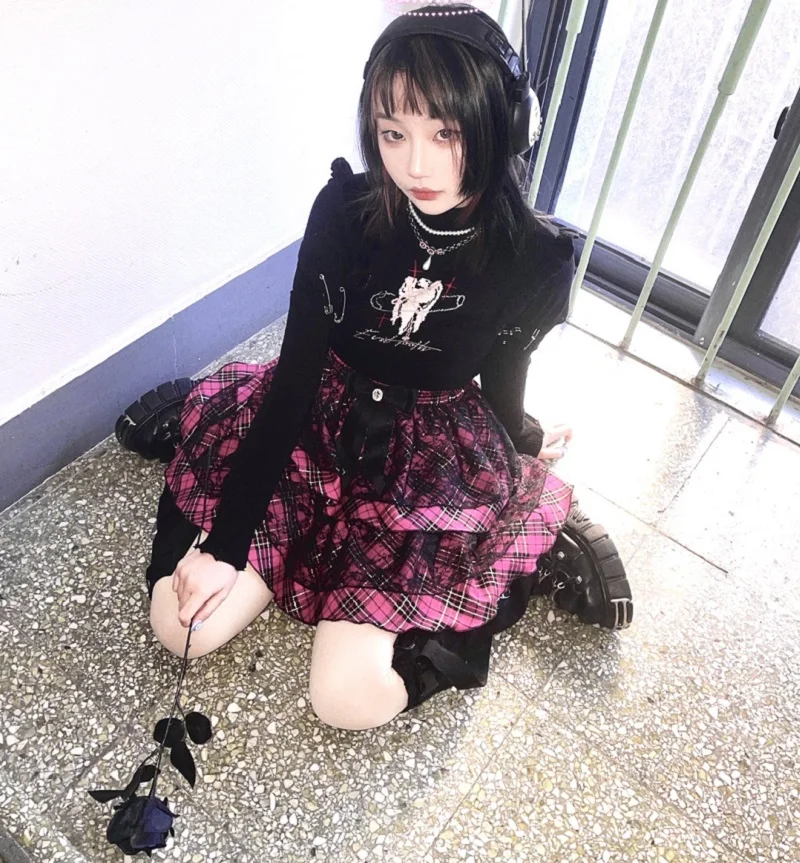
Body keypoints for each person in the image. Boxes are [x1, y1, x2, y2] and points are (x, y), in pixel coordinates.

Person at [122, 2, 633, 732]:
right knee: (182, 630)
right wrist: (226, 548)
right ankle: (203, 411)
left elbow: (502, 371)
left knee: (345, 700)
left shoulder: (532, 257)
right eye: (393, 133)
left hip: (425, 456)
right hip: (316, 421)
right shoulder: (345, 212)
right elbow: (295, 378)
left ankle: (542, 539)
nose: (415, 164)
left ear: (504, 125)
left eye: (446, 133)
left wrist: (517, 456)